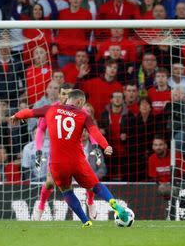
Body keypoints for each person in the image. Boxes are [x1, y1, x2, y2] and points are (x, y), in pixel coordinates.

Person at [10, 89, 130, 228]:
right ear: (79, 102)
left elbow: (29, 112)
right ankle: (114, 204)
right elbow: (94, 132)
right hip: (77, 160)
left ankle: (86, 221)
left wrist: (17, 115)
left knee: (66, 191)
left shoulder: (50, 109)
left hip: (57, 162)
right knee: (96, 186)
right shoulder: (83, 115)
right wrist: (105, 145)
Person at [31, 83, 100, 221]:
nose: (65, 97)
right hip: (57, 154)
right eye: (63, 94)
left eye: (68, 94)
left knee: (89, 182)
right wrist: (38, 150)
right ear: (59, 95)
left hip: (77, 152)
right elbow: (40, 129)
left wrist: (96, 146)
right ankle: (41, 206)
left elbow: (92, 130)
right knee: (50, 182)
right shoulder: (51, 109)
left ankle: (90, 202)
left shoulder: (81, 110)